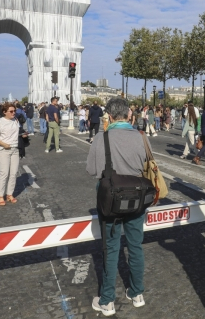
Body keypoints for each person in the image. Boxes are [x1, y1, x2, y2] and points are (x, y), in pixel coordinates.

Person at [86, 98, 150, 315]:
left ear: (110, 117)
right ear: (129, 115)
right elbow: (146, 164)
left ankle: (107, 300)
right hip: (137, 198)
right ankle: (137, 292)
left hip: (110, 201)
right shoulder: (142, 137)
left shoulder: (101, 138)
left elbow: (92, 170)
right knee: (135, 246)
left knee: (111, 248)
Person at [0, 103, 27, 206]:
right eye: (11, 111)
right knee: (4, 173)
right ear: (4, 112)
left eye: (14, 111)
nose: (13, 113)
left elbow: (17, 131)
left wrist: (23, 135)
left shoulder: (16, 120)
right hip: (3, 150)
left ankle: (9, 194)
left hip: (15, 149)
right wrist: (3, 144)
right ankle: (0, 196)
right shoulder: (0, 122)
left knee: (14, 173)